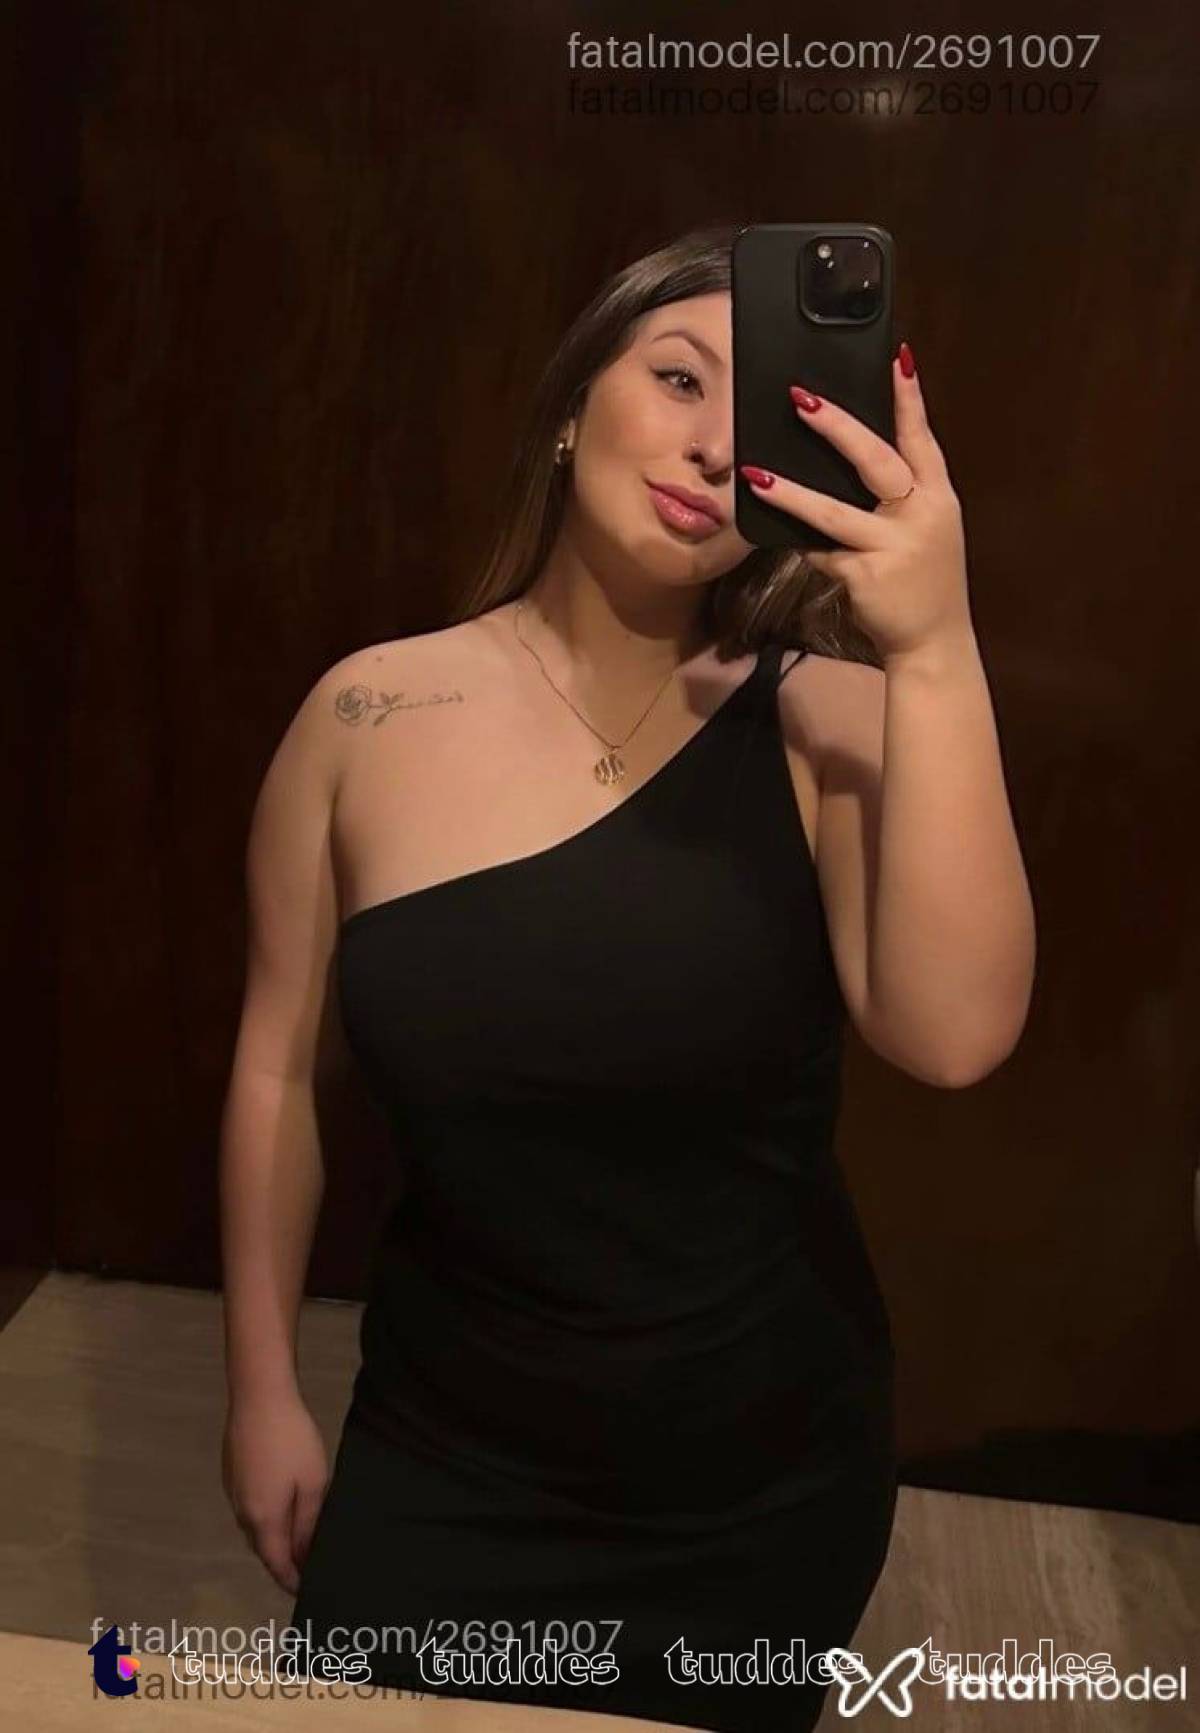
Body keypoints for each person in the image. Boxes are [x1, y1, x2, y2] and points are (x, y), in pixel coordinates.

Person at [219, 222, 1035, 1732]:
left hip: (754, 1486)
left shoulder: (832, 721)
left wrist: (934, 647)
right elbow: (278, 1066)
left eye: (764, 409)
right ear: (569, 404)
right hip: (442, 1455)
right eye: (676, 378)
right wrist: (259, 1384)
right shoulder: (364, 717)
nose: (716, 446)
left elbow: (957, 1034)